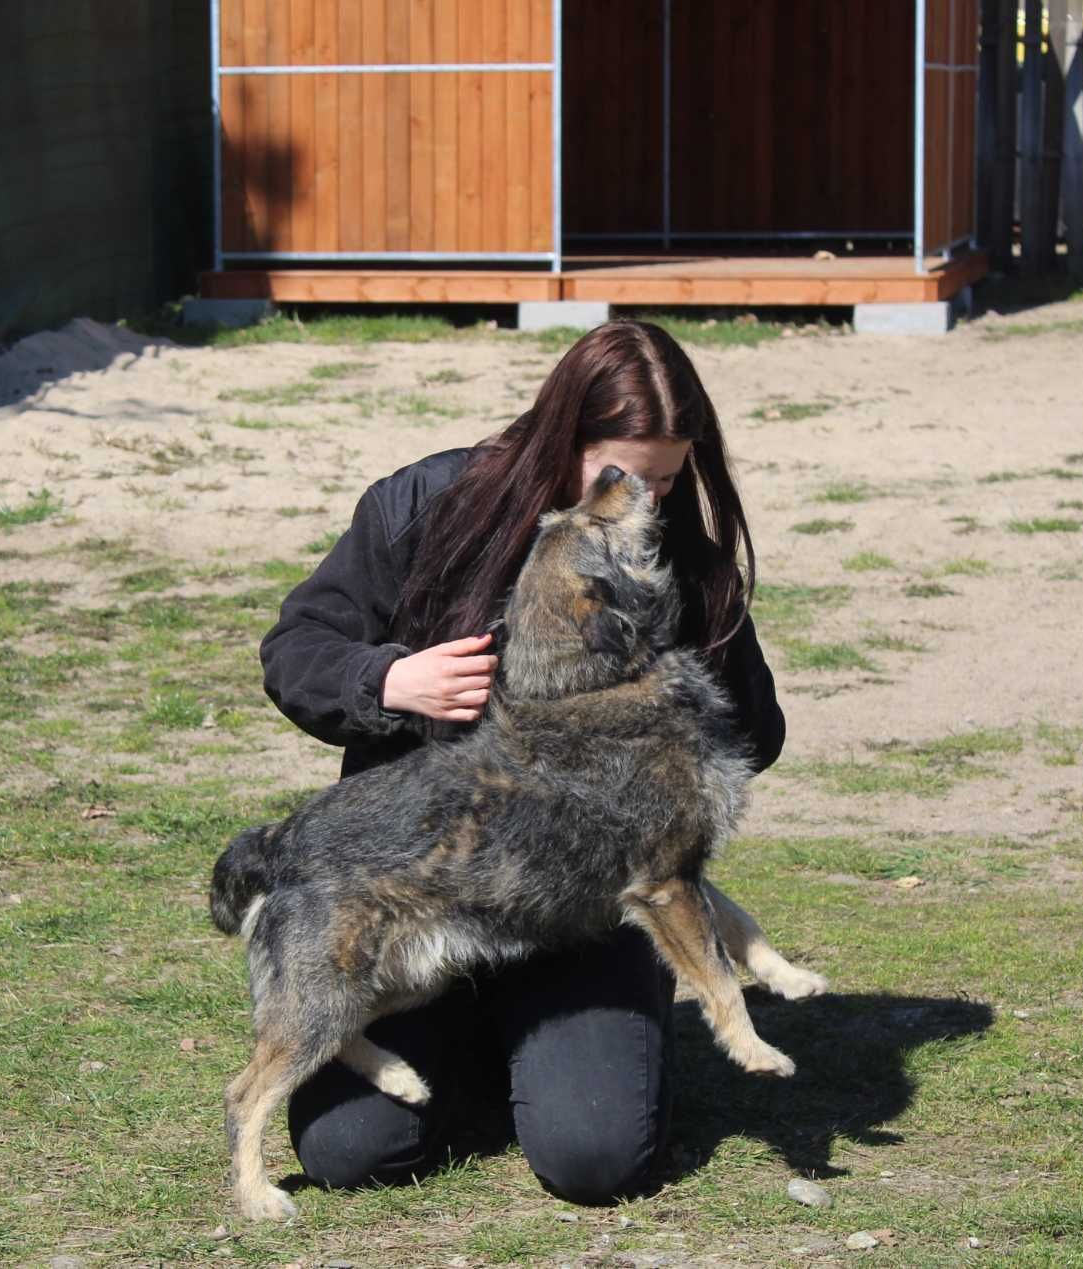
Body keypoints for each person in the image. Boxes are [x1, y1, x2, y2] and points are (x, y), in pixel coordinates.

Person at [256, 319, 786, 1206]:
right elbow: (294, 646)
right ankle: (483, 1048)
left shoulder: (664, 546)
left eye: (667, 475)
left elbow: (758, 734)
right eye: (624, 472)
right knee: (349, 1150)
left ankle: (564, 1054)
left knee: (595, 1159)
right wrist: (390, 678)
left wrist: (677, 681)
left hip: (579, 912)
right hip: (423, 899)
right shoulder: (426, 502)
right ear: (562, 439)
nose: (647, 494)